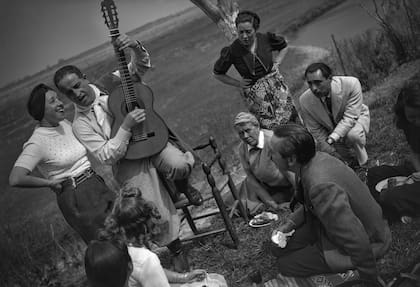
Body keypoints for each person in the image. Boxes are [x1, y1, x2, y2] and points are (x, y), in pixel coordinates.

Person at [53, 34, 200, 271]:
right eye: (69, 92)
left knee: (180, 164)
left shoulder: (110, 81)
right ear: (65, 96)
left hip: (152, 139)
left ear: (84, 78)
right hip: (126, 160)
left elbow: (140, 66)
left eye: (77, 85)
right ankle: (176, 249)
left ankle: (181, 185)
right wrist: (125, 127)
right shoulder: (80, 123)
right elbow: (105, 156)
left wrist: (133, 45)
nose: (77, 93)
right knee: (152, 207)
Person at [268, 124, 391, 281]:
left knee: (285, 264)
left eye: (272, 153)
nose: (270, 156)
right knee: (277, 247)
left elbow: (354, 236)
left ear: (291, 159)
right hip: (326, 223)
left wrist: (369, 277)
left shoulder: (320, 187)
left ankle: (343, 270)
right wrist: (290, 224)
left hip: (370, 241)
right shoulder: (314, 159)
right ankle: (314, 248)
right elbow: (310, 206)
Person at [9, 84, 115, 243]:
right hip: (76, 194)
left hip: (95, 182)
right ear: (41, 111)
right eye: (52, 101)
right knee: (106, 243)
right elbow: (16, 178)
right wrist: (49, 183)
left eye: (58, 98)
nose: (60, 103)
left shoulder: (64, 123)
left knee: (122, 228)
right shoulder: (37, 143)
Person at [98, 186, 209, 287]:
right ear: (144, 226)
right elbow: (148, 267)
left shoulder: (116, 246)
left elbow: (150, 272)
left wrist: (184, 278)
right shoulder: (146, 259)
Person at [213, 10, 299, 129]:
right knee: (271, 127)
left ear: (255, 29)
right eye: (240, 32)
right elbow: (218, 74)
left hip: (277, 86)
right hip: (255, 94)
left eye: (248, 32)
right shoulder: (232, 50)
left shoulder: (265, 38)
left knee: (291, 118)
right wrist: (239, 84)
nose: (244, 36)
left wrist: (277, 62)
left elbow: (284, 46)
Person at [367, 80, 420, 223]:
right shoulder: (410, 126)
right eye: (412, 118)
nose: (417, 122)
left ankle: (395, 207)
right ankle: (393, 208)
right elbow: (415, 153)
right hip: (416, 172)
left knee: (387, 196)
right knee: (374, 174)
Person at [299, 62, 370, 166]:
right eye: (310, 83)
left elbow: (350, 117)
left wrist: (333, 138)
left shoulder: (351, 83)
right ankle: (349, 162)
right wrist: (331, 151)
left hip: (354, 120)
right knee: (339, 159)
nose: (313, 88)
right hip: (330, 131)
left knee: (353, 135)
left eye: (318, 82)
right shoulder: (304, 100)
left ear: (330, 78)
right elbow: (316, 131)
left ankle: (363, 160)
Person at [233, 112, 293, 214]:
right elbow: (252, 179)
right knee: (236, 197)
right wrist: (273, 205)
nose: (245, 136)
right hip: (269, 187)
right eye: (241, 133)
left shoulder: (272, 140)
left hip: (290, 185)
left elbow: (290, 172)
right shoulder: (242, 149)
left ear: (257, 126)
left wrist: (298, 196)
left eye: (248, 130)